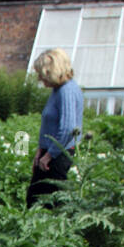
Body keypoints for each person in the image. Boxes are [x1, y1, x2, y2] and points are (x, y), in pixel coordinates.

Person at [26, 48, 83, 208]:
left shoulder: (67, 91)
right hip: (50, 152)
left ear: (51, 71)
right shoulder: (58, 90)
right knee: (35, 198)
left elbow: (68, 129)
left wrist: (48, 156)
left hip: (58, 154)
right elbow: (50, 125)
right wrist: (40, 151)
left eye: (41, 74)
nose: (39, 78)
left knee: (49, 202)